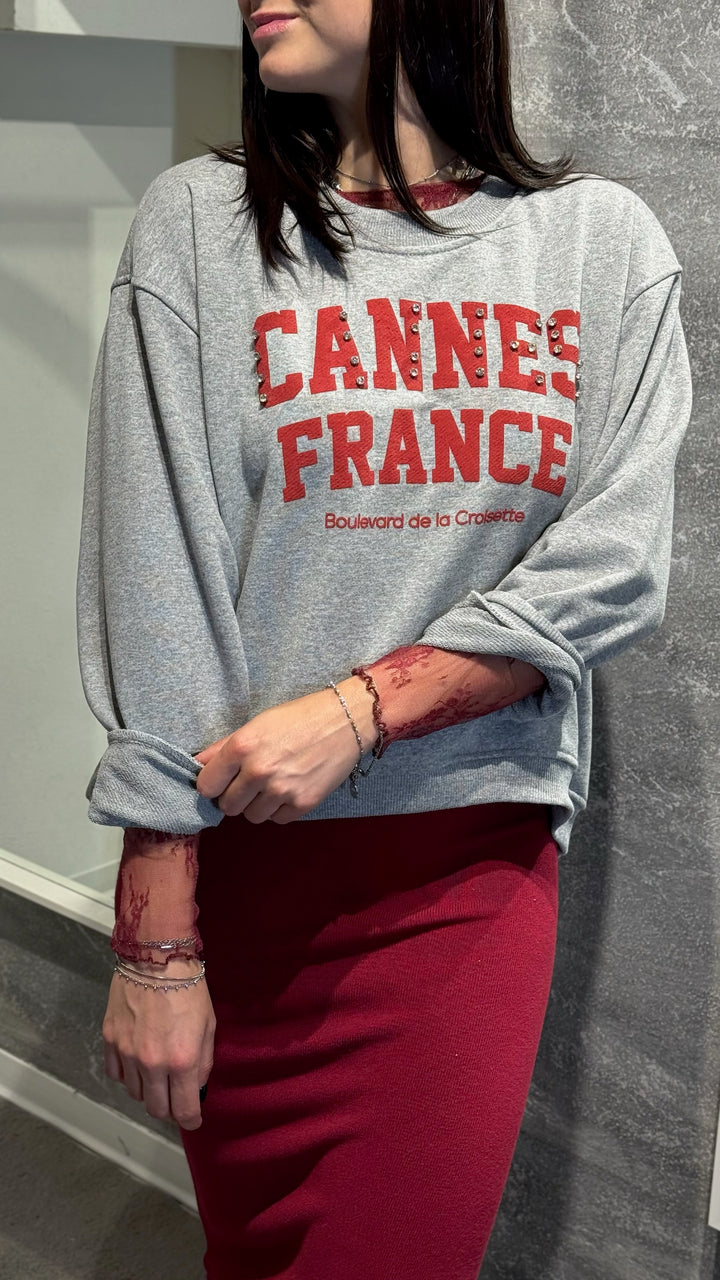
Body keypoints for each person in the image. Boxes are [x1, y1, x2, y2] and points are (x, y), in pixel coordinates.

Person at [75, 0, 692, 1275]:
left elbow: (616, 563)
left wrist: (362, 707)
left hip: (461, 881)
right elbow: (157, 580)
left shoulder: (596, 242)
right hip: (243, 878)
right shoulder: (199, 227)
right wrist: (157, 941)